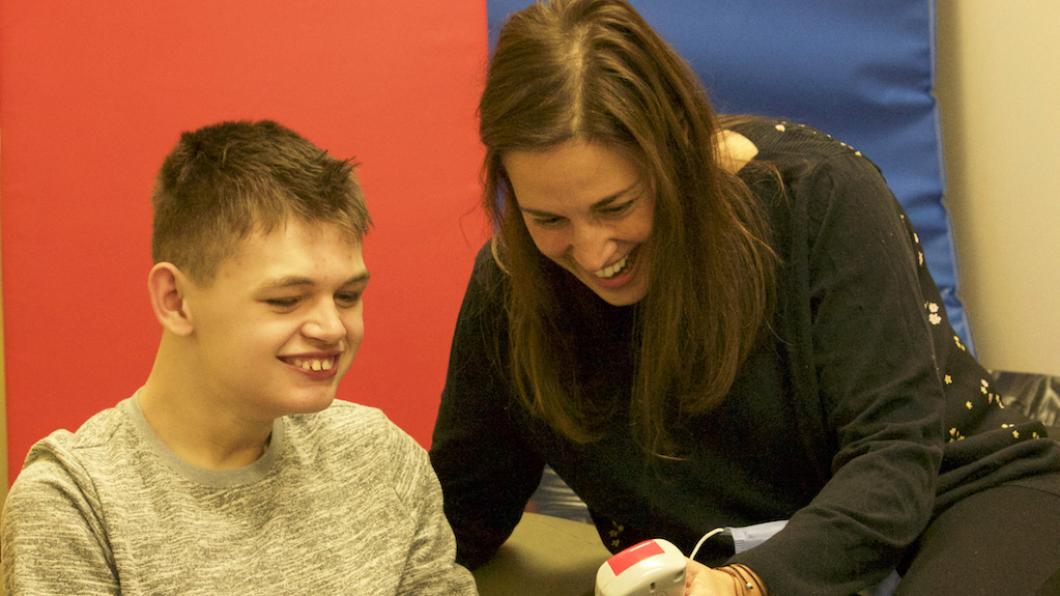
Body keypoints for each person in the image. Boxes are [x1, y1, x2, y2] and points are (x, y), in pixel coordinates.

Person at [428, 1, 1060, 594]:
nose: (593, 252)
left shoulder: (821, 199)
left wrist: (745, 583)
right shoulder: (511, 285)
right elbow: (465, 510)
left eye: (616, 206)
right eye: (549, 221)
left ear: (676, 150)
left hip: (955, 495)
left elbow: (893, 460)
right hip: (724, 561)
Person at [1, 121, 477, 595]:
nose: (332, 328)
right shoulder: (76, 504)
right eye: (286, 300)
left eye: (348, 295)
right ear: (175, 300)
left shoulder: (382, 457)